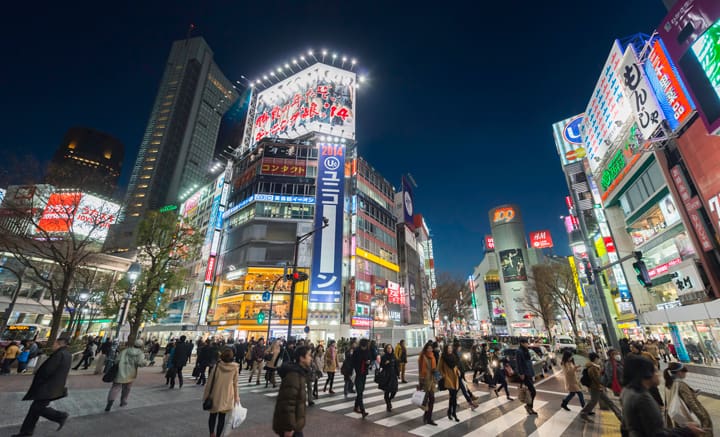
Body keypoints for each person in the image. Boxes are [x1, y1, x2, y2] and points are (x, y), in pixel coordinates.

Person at [621, 355, 703, 437]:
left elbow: (625, 427)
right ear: (647, 373)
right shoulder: (642, 398)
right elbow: (658, 434)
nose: (658, 374)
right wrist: (687, 431)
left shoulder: (627, 392)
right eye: (655, 371)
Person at [11, 337, 71, 437]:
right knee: (34, 409)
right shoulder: (67, 355)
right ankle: (26, 432)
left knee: (37, 408)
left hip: (47, 387)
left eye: (54, 343)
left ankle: (60, 416)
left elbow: (47, 371)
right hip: (53, 386)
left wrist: (39, 381)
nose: (52, 345)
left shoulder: (58, 355)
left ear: (58, 344)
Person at [664, 362, 713, 436]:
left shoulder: (668, 383)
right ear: (679, 372)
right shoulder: (680, 384)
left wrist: (692, 393)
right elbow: (691, 402)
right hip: (686, 416)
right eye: (684, 371)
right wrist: (703, 417)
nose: (686, 373)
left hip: (676, 417)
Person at [273, 345, 312, 437]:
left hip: (295, 424)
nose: (311, 358)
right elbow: (288, 403)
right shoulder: (294, 376)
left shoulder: (299, 373)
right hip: (291, 427)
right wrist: (288, 428)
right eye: (309, 355)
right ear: (302, 358)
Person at [204, 348, 239, 437]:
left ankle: (212, 433)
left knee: (212, 416)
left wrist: (206, 395)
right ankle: (218, 435)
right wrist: (236, 397)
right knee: (222, 418)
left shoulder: (216, 366)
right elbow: (235, 384)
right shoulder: (235, 368)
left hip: (215, 395)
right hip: (227, 396)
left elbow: (210, 382)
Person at [105, 339, 147, 411]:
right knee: (127, 388)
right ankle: (123, 401)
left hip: (120, 371)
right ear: (141, 346)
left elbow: (117, 360)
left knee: (115, 387)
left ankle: (110, 402)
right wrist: (145, 362)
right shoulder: (140, 353)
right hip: (130, 373)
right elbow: (140, 363)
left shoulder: (125, 351)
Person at [580, 352, 622, 422]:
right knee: (594, 402)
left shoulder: (594, 366)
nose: (599, 360)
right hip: (595, 388)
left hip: (598, 388)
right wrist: (602, 384)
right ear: (596, 359)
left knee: (608, 402)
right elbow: (597, 379)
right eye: (598, 358)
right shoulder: (593, 368)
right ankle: (583, 413)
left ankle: (620, 416)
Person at [630, 341, 664, 407]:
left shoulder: (646, 354)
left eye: (633, 347)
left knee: (654, 390)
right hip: (639, 377)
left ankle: (660, 404)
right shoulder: (630, 356)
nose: (631, 349)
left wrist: (654, 369)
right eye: (631, 348)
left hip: (648, 375)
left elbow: (654, 361)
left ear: (637, 348)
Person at [439, 343, 461, 422]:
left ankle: (450, 412)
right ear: (445, 349)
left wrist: (458, 371)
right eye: (448, 348)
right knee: (453, 396)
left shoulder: (453, 356)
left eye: (451, 348)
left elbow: (455, 365)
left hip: (455, 377)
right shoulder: (443, 357)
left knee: (453, 396)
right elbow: (439, 368)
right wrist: (444, 376)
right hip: (448, 378)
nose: (450, 350)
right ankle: (454, 413)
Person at [351, 338, 372, 418]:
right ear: (364, 344)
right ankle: (363, 410)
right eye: (367, 344)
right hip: (357, 373)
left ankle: (356, 407)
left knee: (361, 391)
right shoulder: (356, 351)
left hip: (364, 373)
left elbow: (369, 358)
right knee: (359, 392)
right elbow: (353, 362)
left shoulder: (367, 350)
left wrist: (368, 362)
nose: (368, 346)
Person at [516, 338, 538, 415]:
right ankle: (529, 406)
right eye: (526, 343)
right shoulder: (519, 351)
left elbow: (529, 361)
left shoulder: (526, 350)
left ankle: (529, 407)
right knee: (533, 391)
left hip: (529, 372)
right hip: (524, 374)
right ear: (522, 343)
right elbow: (519, 363)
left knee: (532, 391)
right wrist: (521, 373)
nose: (527, 344)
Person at [419, 342, 438, 426]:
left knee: (432, 399)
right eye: (428, 348)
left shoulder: (433, 356)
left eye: (431, 348)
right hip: (426, 380)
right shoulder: (423, 357)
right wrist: (421, 381)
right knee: (426, 399)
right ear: (426, 349)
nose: (430, 349)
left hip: (432, 380)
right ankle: (427, 416)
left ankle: (428, 417)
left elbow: (434, 368)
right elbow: (421, 370)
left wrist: (438, 377)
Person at [379, 344, 399, 412]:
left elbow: (396, 365)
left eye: (390, 348)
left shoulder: (394, 356)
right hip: (386, 376)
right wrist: (385, 363)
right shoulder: (384, 357)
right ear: (386, 349)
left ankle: (389, 400)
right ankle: (388, 404)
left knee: (394, 390)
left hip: (393, 375)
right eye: (388, 348)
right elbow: (381, 365)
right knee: (387, 391)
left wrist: (398, 374)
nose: (389, 349)